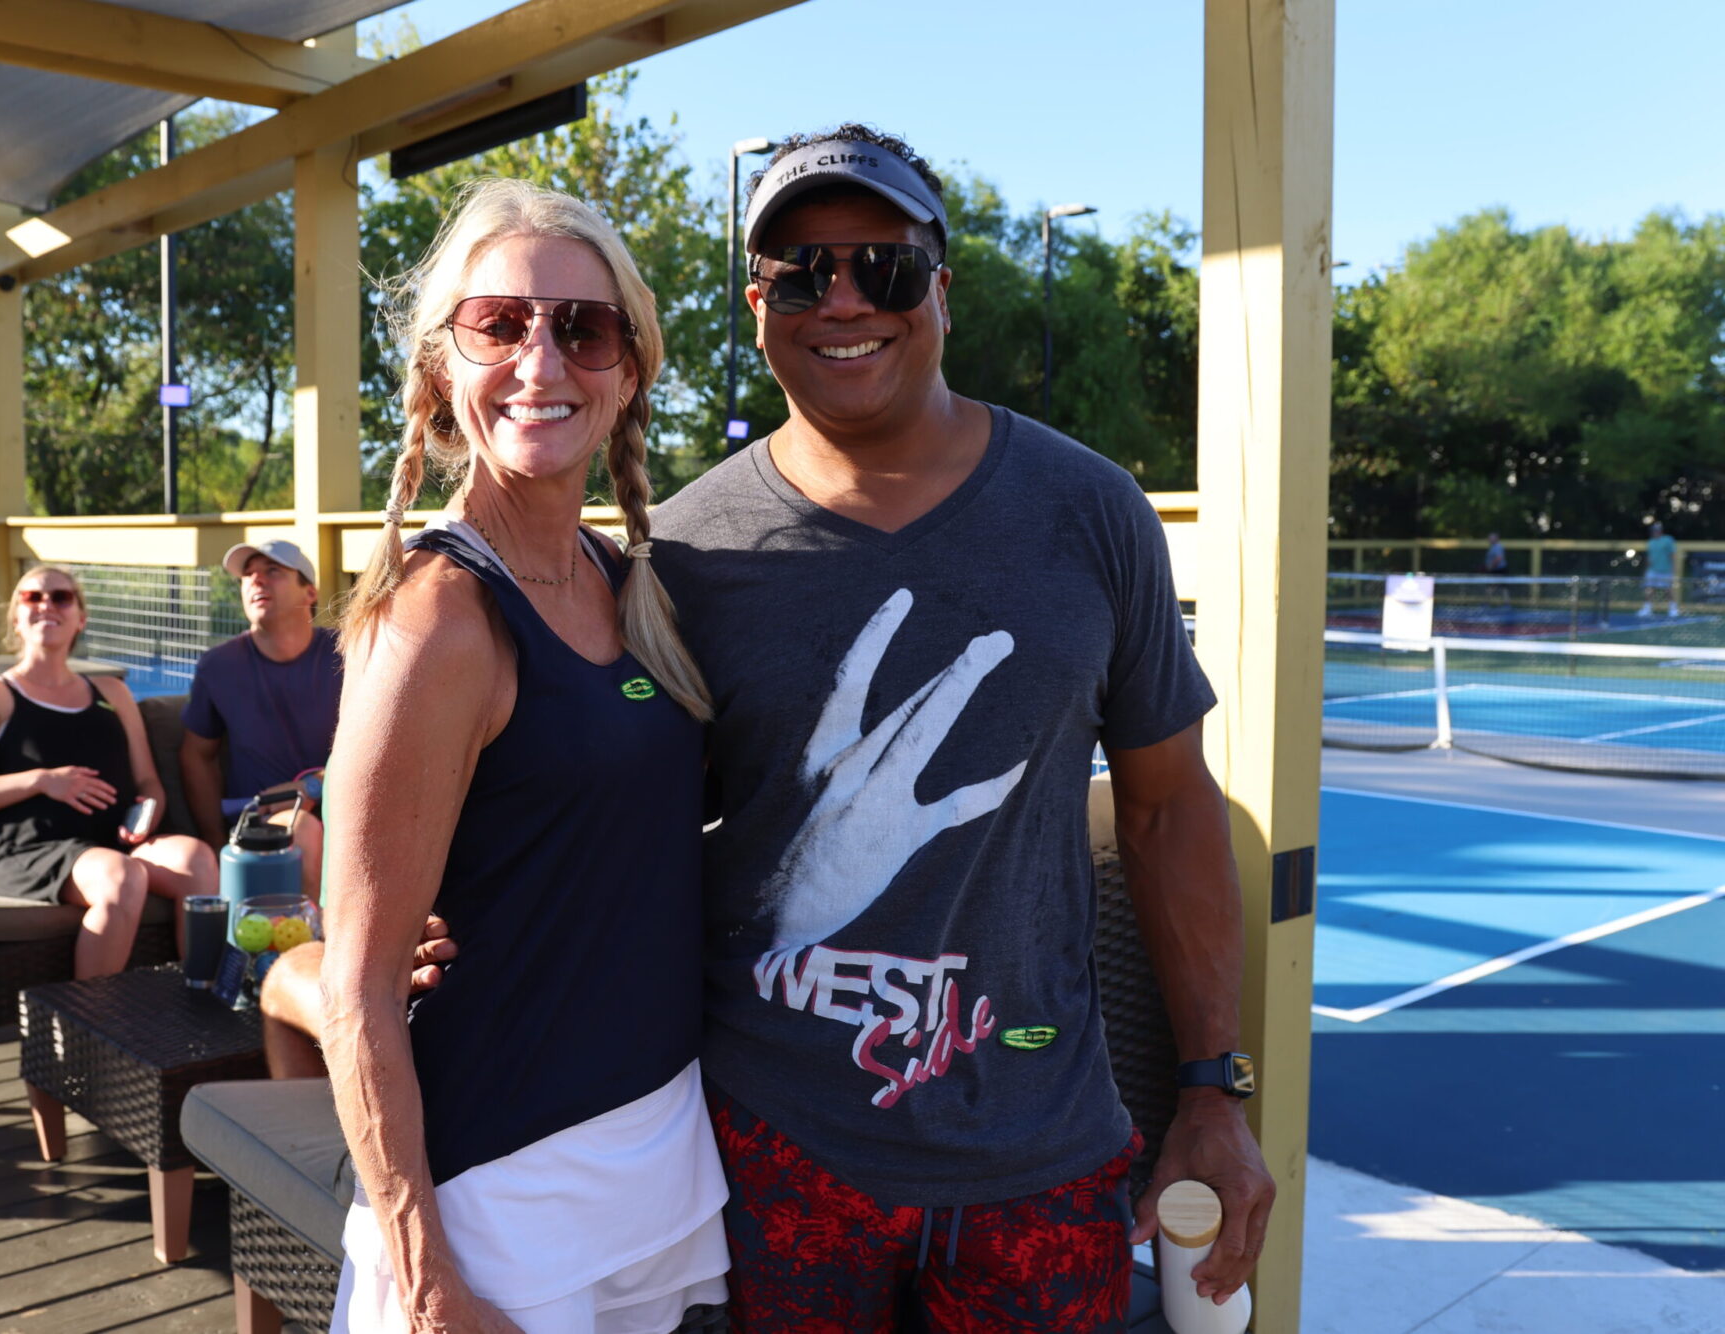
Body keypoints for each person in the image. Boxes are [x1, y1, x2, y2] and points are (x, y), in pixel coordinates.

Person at [644, 128, 1277, 1330]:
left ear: (940, 287)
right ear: (758, 307)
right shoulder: (680, 552)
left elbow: (1165, 805)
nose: (841, 299)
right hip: (771, 1151)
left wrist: (1210, 1088)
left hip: (1037, 1152)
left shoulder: (1091, 510)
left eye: (879, 265)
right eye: (800, 272)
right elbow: (615, 824)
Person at [319, 178, 728, 1334]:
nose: (540, 361)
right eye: (497, 323)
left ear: (629, 369)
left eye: (582, 328)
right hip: (497, 1201)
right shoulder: (437, 618)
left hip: (652, 1158)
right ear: (441, 366)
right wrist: (427, 1280)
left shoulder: (622, 581)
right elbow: (356, 986)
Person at [0, 565, 217, 978]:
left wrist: (147, 815)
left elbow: (148, 782)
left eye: (61, 597)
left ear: (81, 619)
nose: (46, 605)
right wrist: (43, 780)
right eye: (32, 597)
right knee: (121, 876)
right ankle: (91, 1016)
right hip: (35, 850)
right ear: (16, 618)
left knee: (197, 859)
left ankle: (202, 998)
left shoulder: (112, 692)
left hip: (116, 843)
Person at [178, 539, 341, 1077]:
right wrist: (211, 836)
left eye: (274, 571)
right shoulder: (219, 666)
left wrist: (320, 783)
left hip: (350, 802)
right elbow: (197, 755)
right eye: (248, 574)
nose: (256, 580)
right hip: (264, 823)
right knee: (305, 834)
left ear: (310, 592)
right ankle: (325, 985)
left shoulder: (348, 652)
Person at [1640, 521, 1678, 617]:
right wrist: (1646, 570)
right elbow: (1649, 557)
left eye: (1657, 530)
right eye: (1653, 530)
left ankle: (1673, 609)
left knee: (1668, 590)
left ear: (1660, 531)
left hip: (1665, 570)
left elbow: (1672, 554)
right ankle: (1647, 609)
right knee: (1649, 589)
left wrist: (1673, 568)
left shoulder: (1668, 540)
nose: (1655, 532)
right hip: (1652, 570)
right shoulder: (1651, 542)